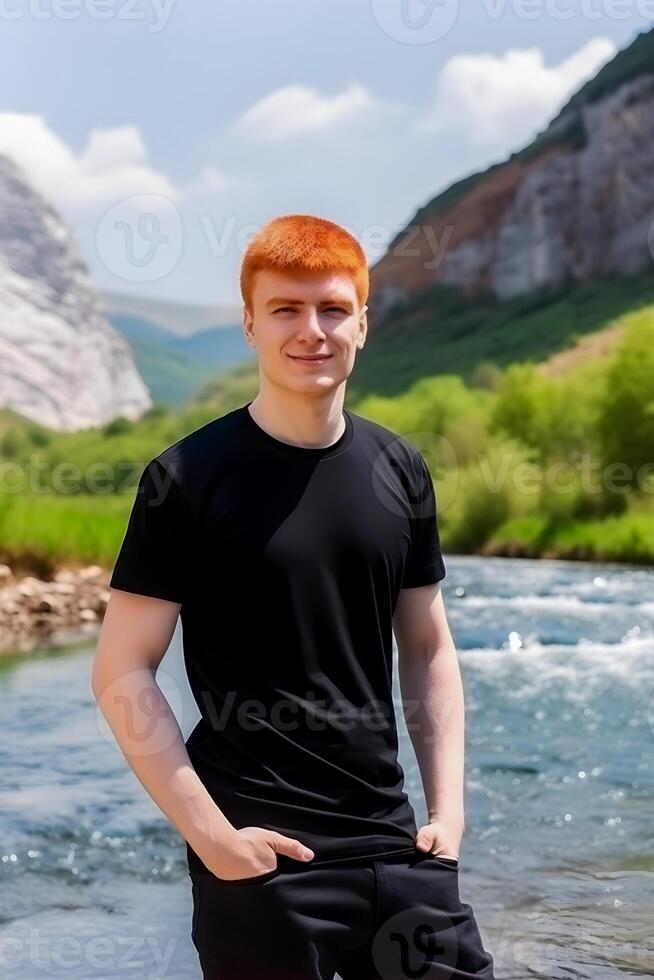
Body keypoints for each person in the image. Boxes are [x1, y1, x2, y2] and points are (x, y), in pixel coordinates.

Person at [92, 214, 495, 979]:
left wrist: (450, 811)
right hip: (262, 859)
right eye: (285, 310)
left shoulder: (400, 468)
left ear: (364, 325)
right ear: (249, 324)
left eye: (333, 309)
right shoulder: (185, 478)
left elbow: (428, 646)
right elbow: (120, 670)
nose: (311, 331)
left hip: (397, 847)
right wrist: (212, 837)